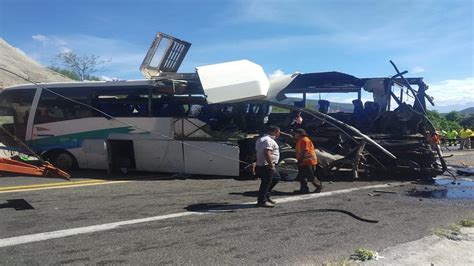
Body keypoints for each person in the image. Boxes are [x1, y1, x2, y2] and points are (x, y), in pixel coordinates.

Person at [255, 126, 281, 208]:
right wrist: (271, 165)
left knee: (276, 178)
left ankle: (266, 196)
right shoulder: (268, 140)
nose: (279, 134)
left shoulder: (262, 139)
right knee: (266, 183)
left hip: (265, 165)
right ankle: (261, 201)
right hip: (267, 166)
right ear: (274, 131)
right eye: (278, 132)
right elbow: (267, 153)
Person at [294, 128, 323, 194]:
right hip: (305, 161)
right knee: (302, 176)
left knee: (310, 175)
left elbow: (305, 151)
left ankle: (319, 186)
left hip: (308, 161)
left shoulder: (304, 140)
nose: (294, 134)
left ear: (299, 134)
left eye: (295, 133)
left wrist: (300, 159)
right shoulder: (301, 140)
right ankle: (304, 189)